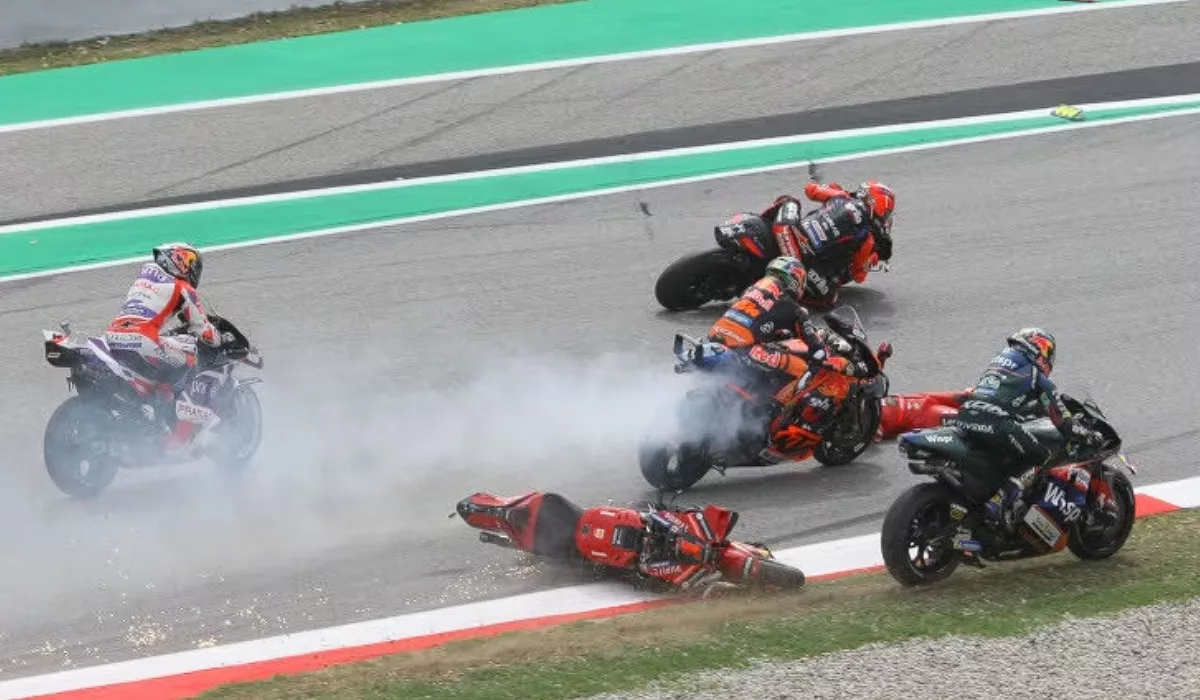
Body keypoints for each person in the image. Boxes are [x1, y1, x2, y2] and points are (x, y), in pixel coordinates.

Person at [706, 256, 871, 465]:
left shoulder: (753, 291)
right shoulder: (793, 307)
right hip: (745, 349)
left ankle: (752, 402)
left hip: (716, 339)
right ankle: (773, 412)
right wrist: (829, 357)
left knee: (774, 360)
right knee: (803, 367)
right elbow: (816, 348)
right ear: (796, 281)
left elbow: (761, 323)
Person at [948, 328, 1103, 529]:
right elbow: (1062, 421)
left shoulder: (998, 365)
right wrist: (1087, 434)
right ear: (1039, 349)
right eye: (1048, 353)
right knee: (1041, 455)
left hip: (964, 418)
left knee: (1008, 453)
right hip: (995, 423)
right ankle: (997, 502)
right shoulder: (1038, 377)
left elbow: (1003, 398)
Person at [104, 242, 228, 434]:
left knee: (163, 354)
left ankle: (145, 400)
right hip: (143, 340)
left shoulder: (144, 276)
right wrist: (220, 339)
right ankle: (169, 409)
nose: (193, 270)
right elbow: (203, 330)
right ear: (181, 260)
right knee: (190, 355)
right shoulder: (183, 288)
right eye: (191, 263)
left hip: (113, 337)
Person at [760, 180, 896, 307]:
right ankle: (789, 300)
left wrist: (828, 188)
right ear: (879, 206)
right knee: (829, 298)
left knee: (789, 201)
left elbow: (810, 189)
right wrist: (873, 258)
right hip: (804, 263)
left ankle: (763, 225)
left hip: (787, 232)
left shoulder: (841, 195)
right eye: (887, 213)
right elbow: (858, 275)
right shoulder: (867, 237)